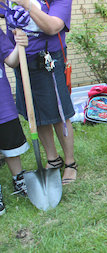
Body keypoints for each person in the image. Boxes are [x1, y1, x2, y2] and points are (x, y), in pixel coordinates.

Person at [4, 0, 77, 185]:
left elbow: (53, 27)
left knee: (59, 113)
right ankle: (53, 159)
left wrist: (26, 5)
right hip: (21, 58)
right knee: (36, 113)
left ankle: (70, 163)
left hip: (48, 59)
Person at [0, 27, 30, 215]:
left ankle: (19, 180)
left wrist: (20, 45)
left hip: (2, 103)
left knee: (12, 147)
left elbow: (11, 61)